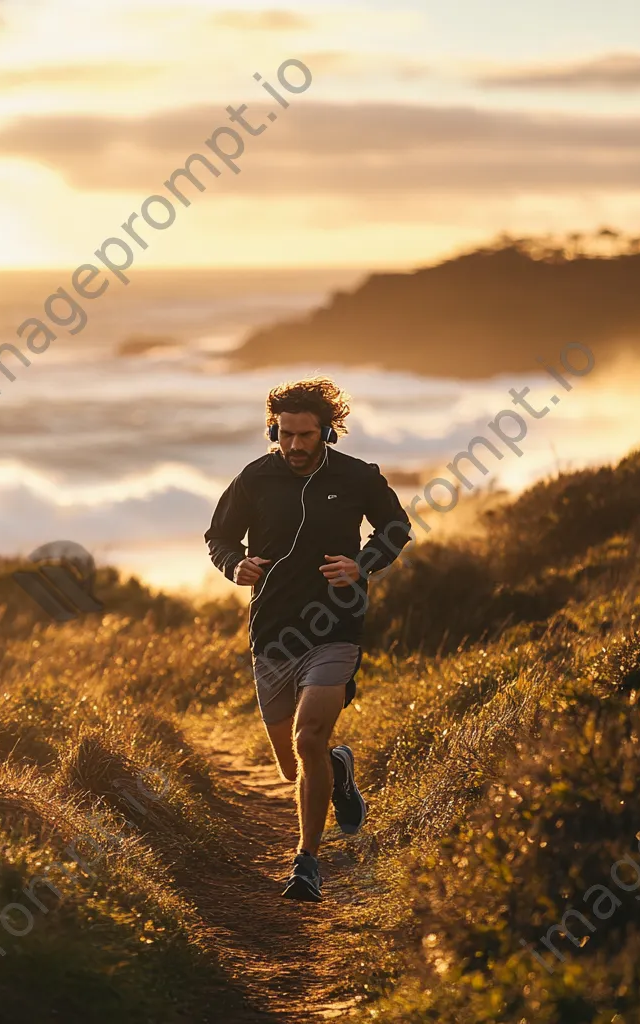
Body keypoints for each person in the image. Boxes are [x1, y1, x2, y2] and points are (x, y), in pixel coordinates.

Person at [204, 376, 411, 901]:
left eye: (306, 435)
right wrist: (235, 564)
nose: (294, 446)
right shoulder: (255, 478)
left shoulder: (358, 477)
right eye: (285, 434)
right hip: (271, 632)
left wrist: (361, 563)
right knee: (291, 765)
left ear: (327, 433)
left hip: (334, 629)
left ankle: (307, 863)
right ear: (274, 429)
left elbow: (395, 527)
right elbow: (219, 536)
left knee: (308, 738)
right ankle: (339, 773)